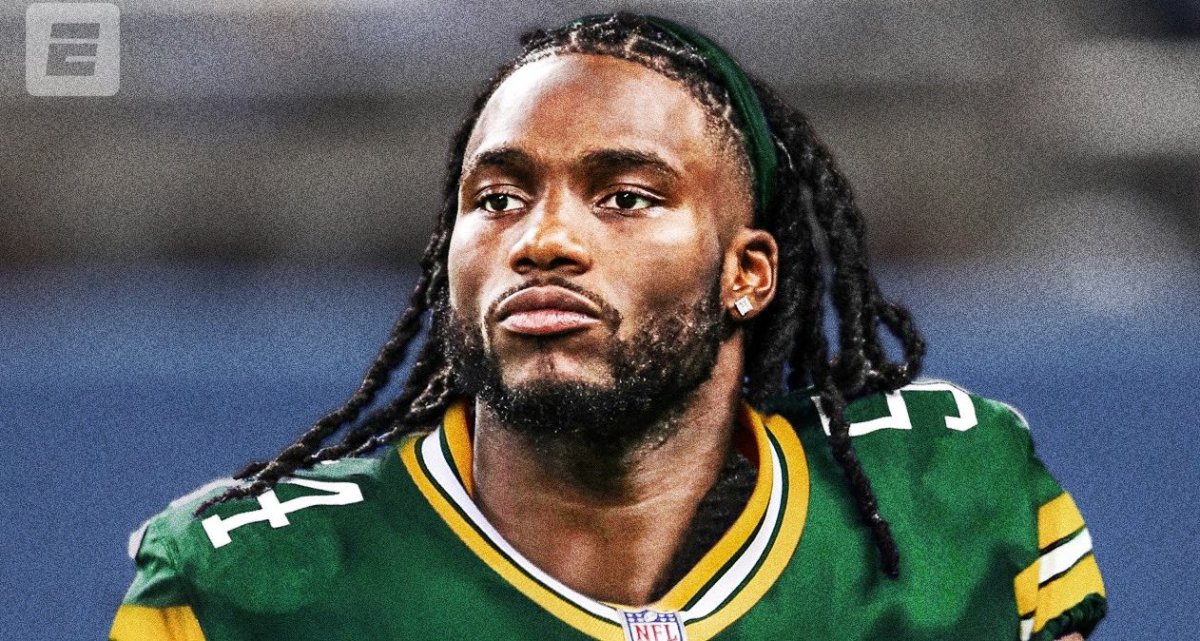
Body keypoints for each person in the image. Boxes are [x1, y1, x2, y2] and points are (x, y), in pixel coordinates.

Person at [109, 12, 1105, 641]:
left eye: (625, 196)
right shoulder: (255, 584)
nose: (542, 240)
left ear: (746, 274)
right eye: (497, 199)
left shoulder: (943, 497)